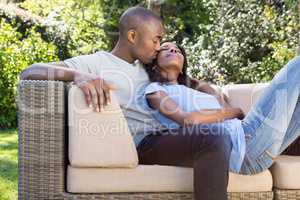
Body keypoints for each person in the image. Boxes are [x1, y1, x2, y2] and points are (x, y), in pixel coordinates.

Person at [20, 6, 232, 200]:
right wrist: (78, 76)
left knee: (219, 133)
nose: (158, 47)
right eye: (156, 40)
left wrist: (211, 90)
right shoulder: (97, 63)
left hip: (172, 136)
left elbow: (188, 81)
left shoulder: (150, 67)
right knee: (214, 136)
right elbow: (30, 72)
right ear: (132, 36)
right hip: (144, 144)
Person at [140, 41, 300, 177]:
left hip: (256, 145)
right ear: (154, 64)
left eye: (178, 50)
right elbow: (188, 119)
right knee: (297, 66)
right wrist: (236, 111)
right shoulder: (155, 90)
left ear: (182, 67)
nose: (173, 50)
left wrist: (204, 88)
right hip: (243, 146)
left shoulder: (195, 92)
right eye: (165, 48)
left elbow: (223, 108)